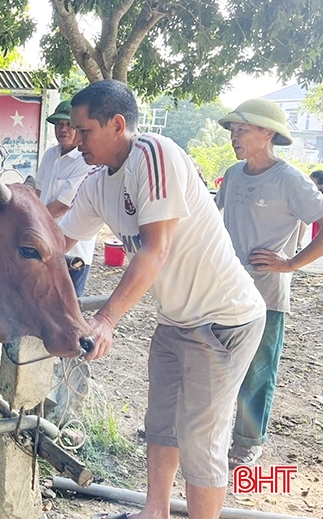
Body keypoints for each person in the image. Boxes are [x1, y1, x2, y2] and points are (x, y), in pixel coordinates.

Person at [60, 80, 265, 519]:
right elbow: (58, 239)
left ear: (118, 125)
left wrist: (107, 320)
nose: (75, 142)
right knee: (161, 426)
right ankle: (155, 513)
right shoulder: (98, 183)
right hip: (176, 319)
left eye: (84, 131)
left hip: (223, 319)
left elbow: (155, 249)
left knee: (200, 441)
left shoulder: (154, 153)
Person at [215, 99, 323, 467]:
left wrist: (291, 263)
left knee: (258, 370)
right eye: (232, 130)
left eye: (242, 130)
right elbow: (214, 221)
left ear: (268, 133)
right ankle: (206, 432)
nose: (234, 137)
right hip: (225, 289)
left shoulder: (289, 179)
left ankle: (247, 443)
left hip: (267, 294)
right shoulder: (232, 175)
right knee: (211, 362)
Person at [34, 99, 96, 297]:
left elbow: (62, 206)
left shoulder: (85, 160)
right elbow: (37, 192)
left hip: (73, 250)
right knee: (43, 301)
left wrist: (32, 222)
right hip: (44, 242)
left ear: (78, 128)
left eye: (69, 124)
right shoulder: (50, 155)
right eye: (59, 124)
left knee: (70, 307)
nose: (63, 129)